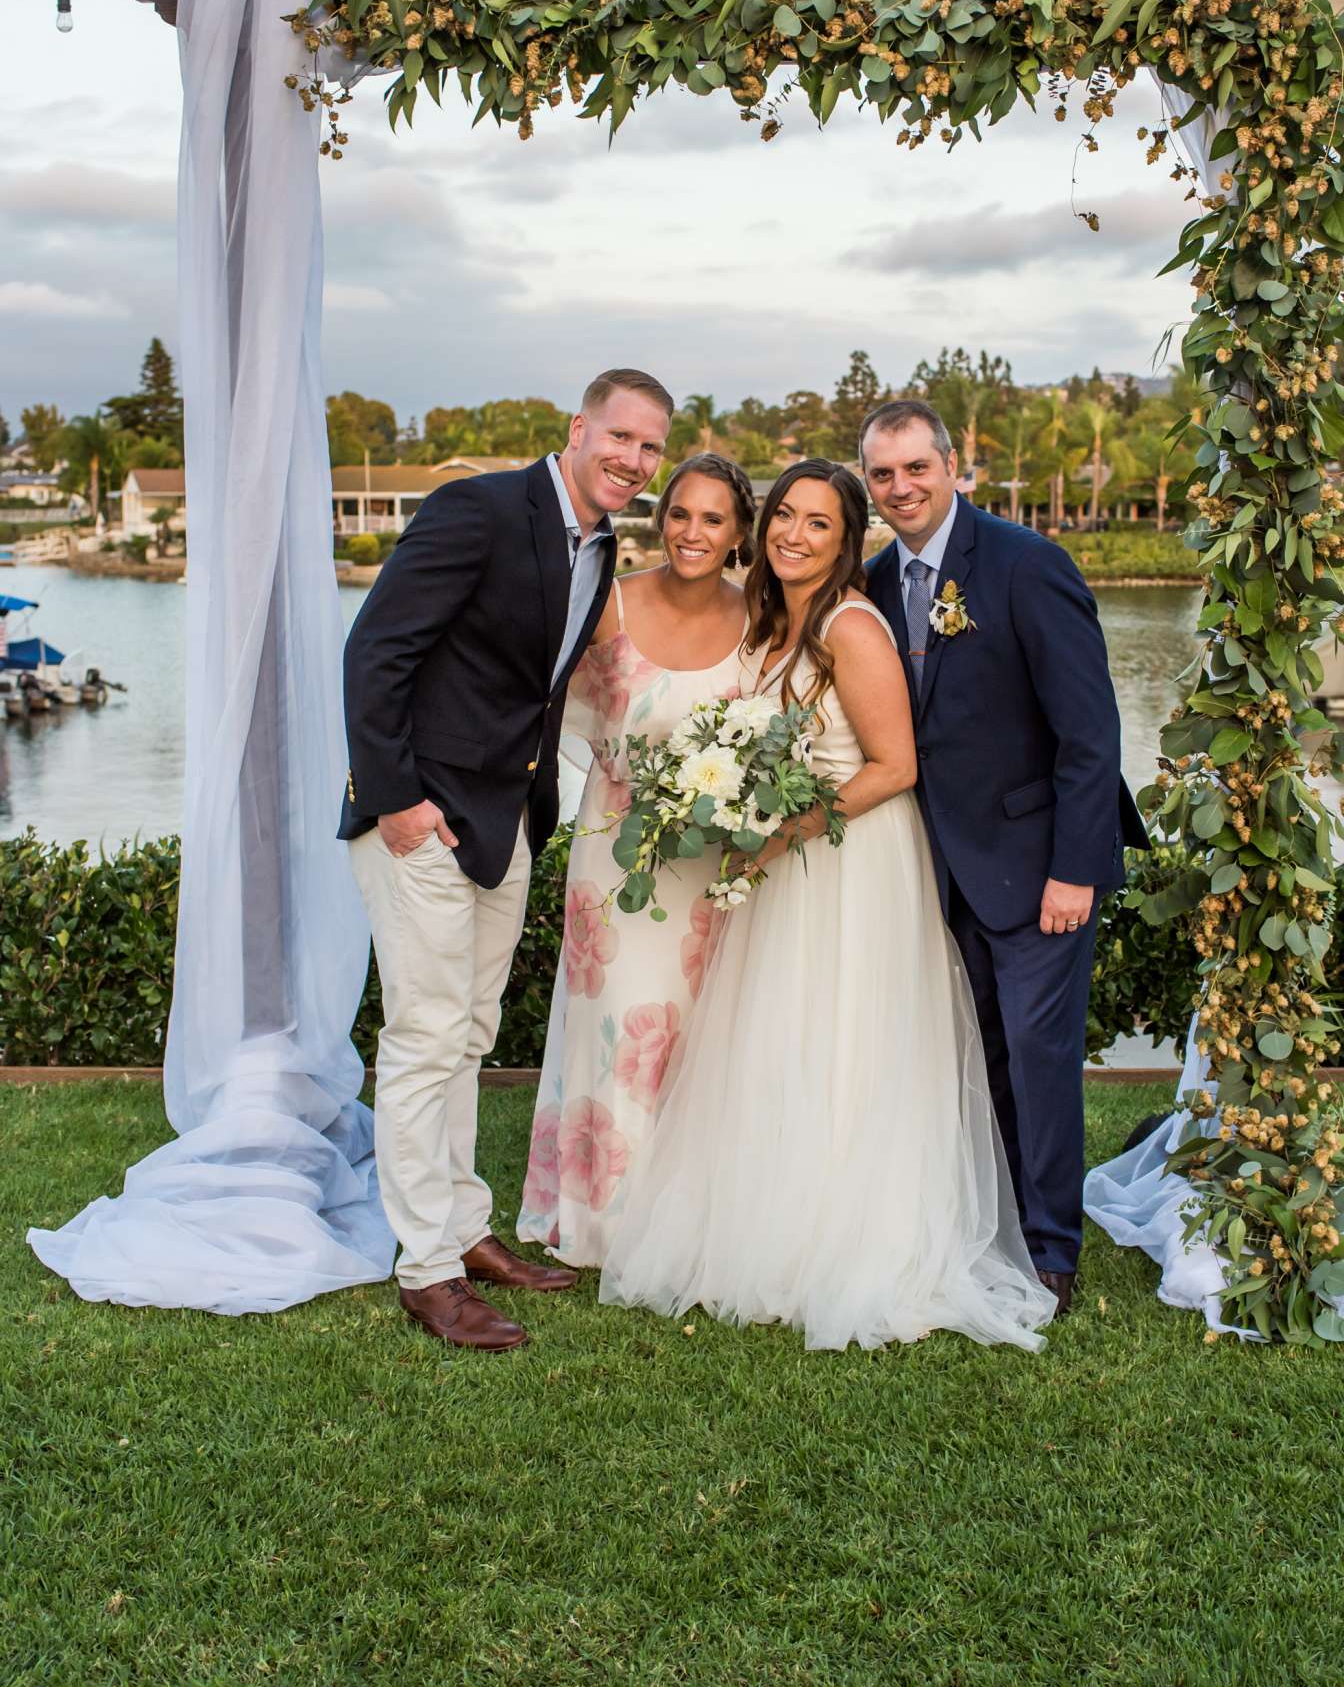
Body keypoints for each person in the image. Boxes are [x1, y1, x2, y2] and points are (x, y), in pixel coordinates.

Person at [600, 460, 1055, 1353]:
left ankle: (858, 1236)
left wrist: (783, 831)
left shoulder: (851, 625)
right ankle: (777, 1223)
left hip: (853, 860)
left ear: (848, 542)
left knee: (851, 1037)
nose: (793, 535)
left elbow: (894, 766)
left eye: (818, 524)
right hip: (788, 859)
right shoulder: (770, 620)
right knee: (783, 1037)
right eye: (783, 518)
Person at [340, 369, 674, 1350]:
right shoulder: (476, 509)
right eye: (620, 437)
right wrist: (393, 798)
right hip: (422, 819)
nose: (633, 460)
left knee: (471, 1033)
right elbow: (377, 653)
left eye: (651, 447)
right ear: (578, 429)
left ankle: (463, 1228)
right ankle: (426, 1273)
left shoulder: (601, 546)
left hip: (510, 821)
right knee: (422, 1037)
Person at [859, 399, 1148, 1311]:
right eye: (882, 474)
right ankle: (999, 1218)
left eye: (916, 467)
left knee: (1037, 1055)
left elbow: (1090, 737)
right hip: (933, 871)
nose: (901, 487)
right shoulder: (869, 584)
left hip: (1035, 871)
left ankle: (1051, 1251)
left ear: (953, 466)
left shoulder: (1028, 566)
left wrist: (1075, 868)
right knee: (978, 1053)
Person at [519, 453, 755, 1266]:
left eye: (713, 519)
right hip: (615, 859)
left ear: (737, 533)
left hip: (714, 871)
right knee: (618, 1026)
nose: (692, 532)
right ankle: (603, 1218)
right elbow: (560, 708)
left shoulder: (760, 616)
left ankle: (691, 1213)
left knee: (699, 1035)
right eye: (680, 513)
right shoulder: (609, 602)